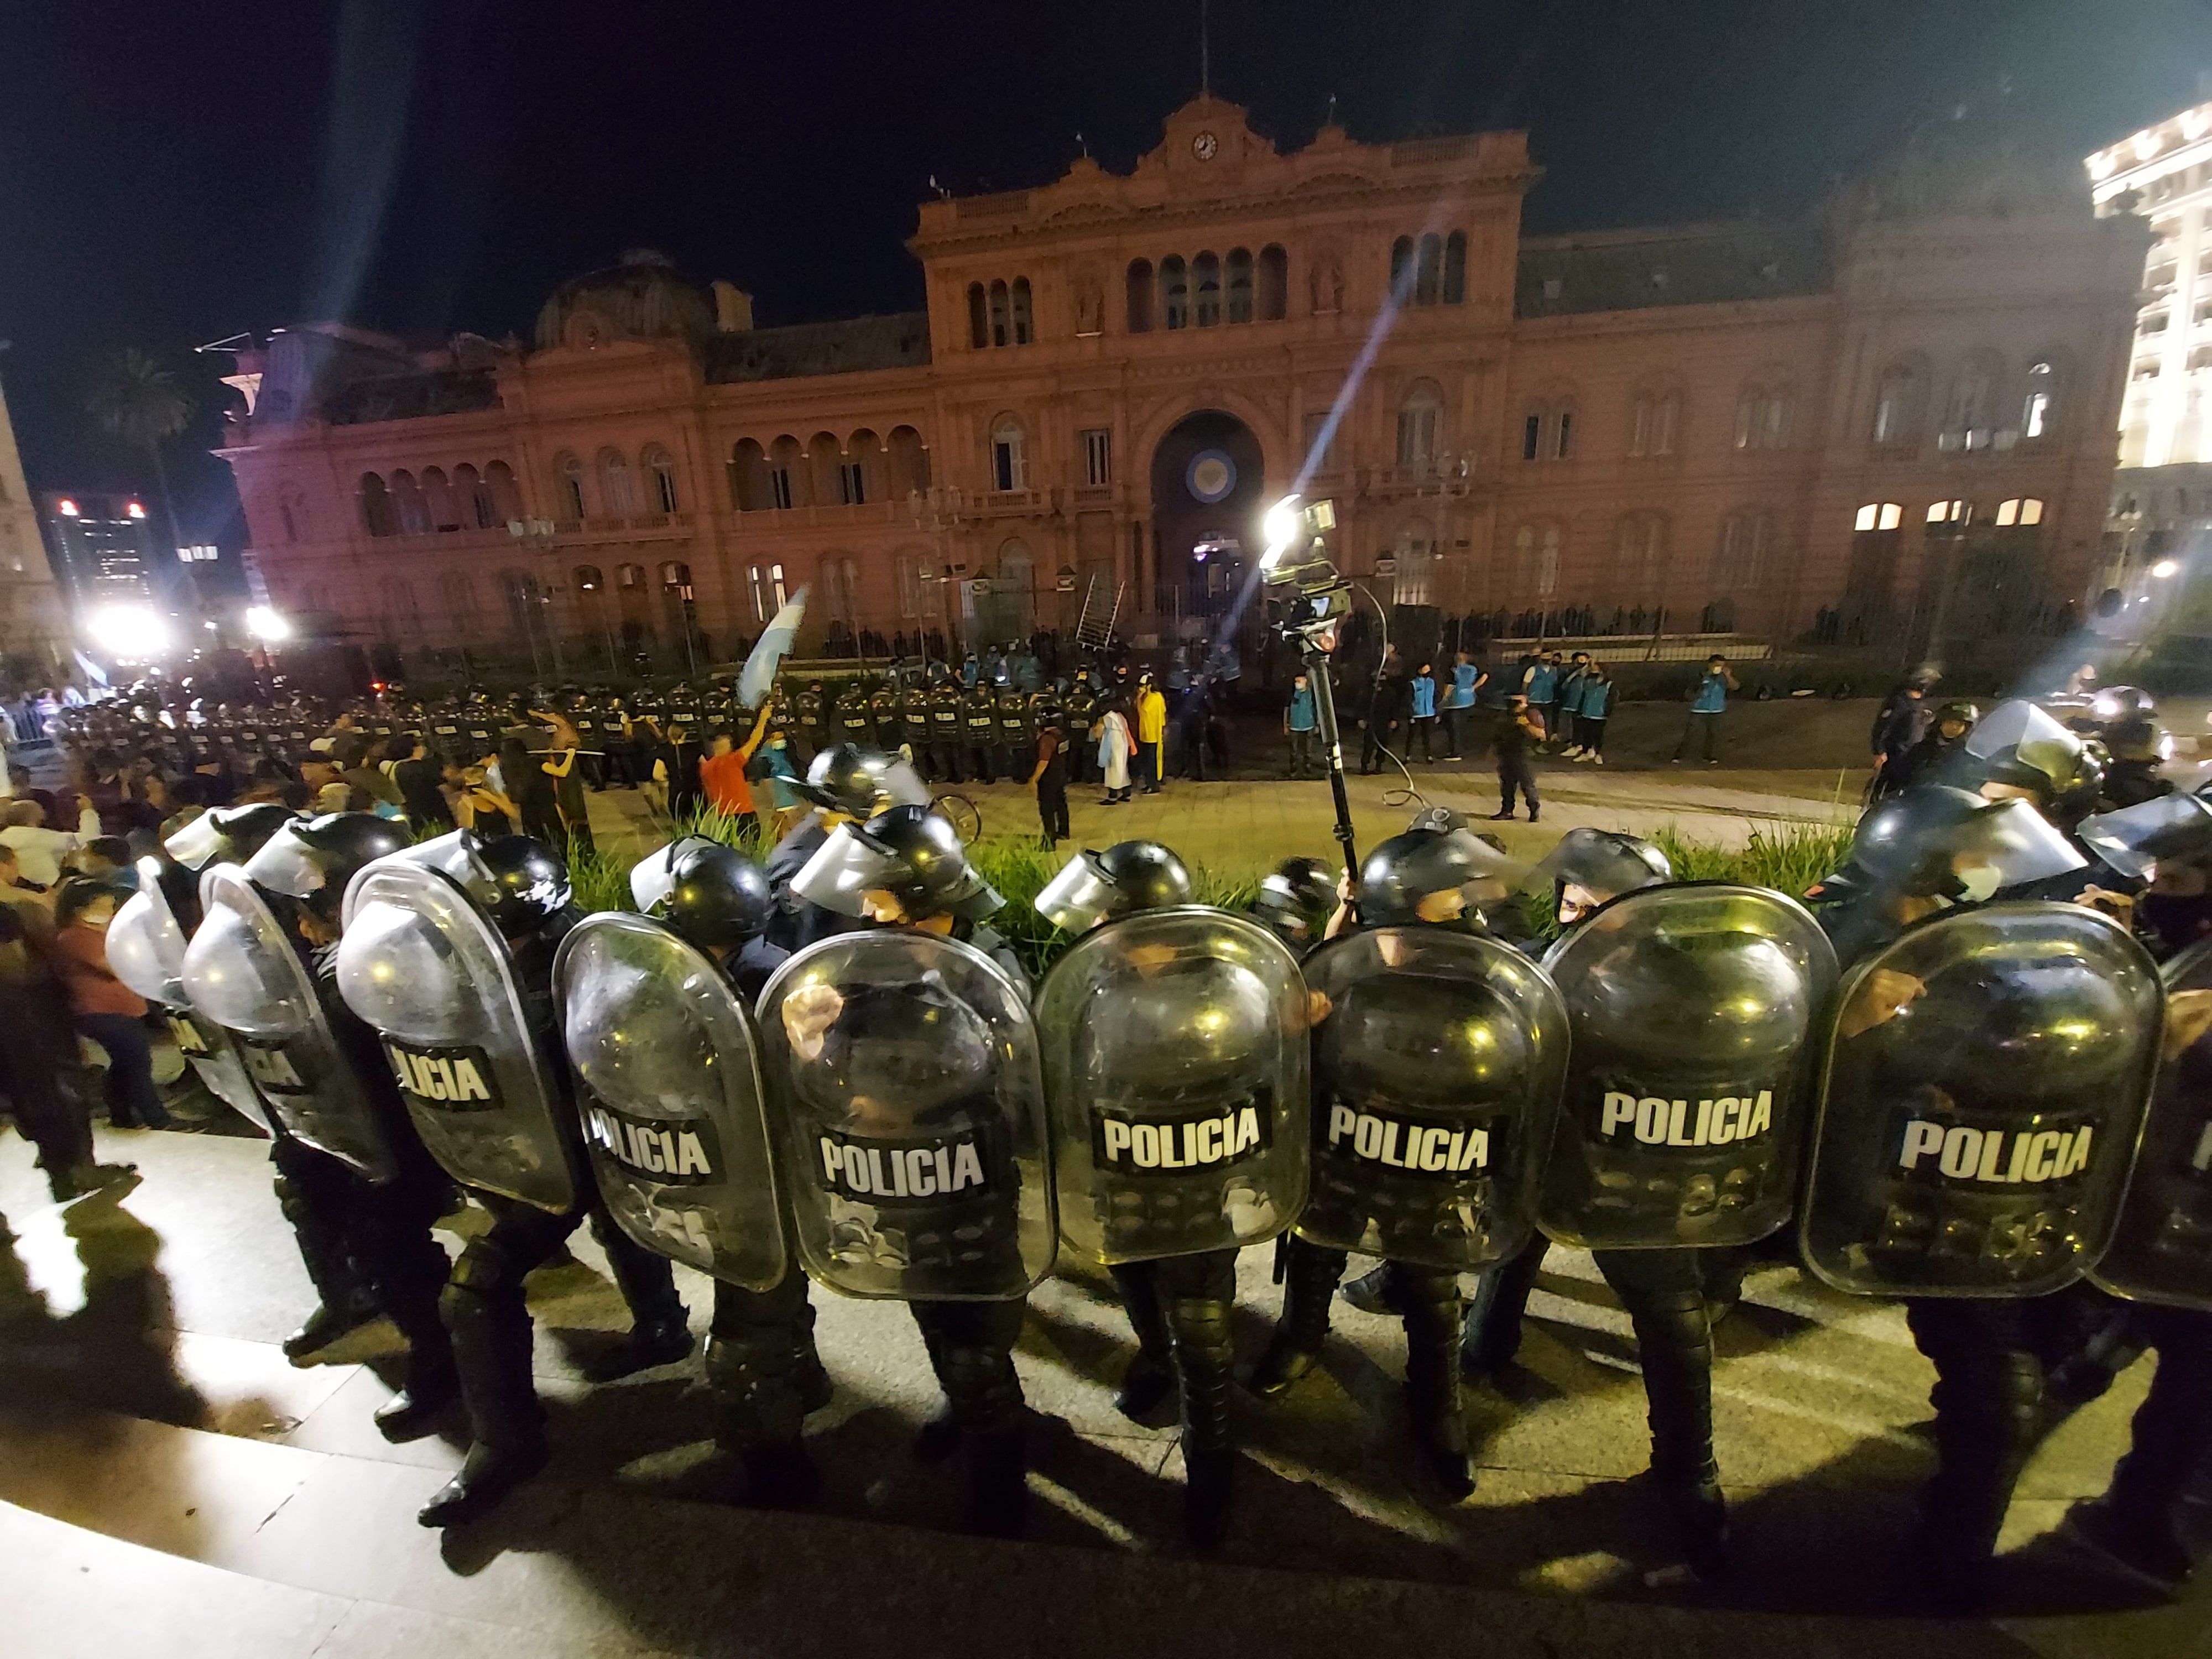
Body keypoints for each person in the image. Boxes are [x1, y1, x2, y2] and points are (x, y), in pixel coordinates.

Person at [0, 901, 131, 1200]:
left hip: (30, 1053)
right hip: (37, 1047)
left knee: (41, 1107)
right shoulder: (21, 982)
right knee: (60, 1102)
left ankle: (63, 1175)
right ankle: (78, 1172)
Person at [50, 876, 173, 1131]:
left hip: (121, 1009)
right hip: (100, 1013)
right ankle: (157, 1119)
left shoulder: (102, 934)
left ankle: (122, 1116)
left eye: (110, 906)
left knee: (125, 1063)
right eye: (102, 906)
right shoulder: (76, 937)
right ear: (79, 910)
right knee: (137, 1062)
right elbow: (115, 967)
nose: (108, 912)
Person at [2, 794, 102, 888]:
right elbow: (91, 839)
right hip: (49, 892)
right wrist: (87, 811)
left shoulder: (3, 838)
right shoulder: (38, 837)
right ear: (37, 817)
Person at [1672, 654, 1738, 765]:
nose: (1719, 668)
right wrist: (1700, 692)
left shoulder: (1723, 678)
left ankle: (1709, 756)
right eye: (1717, 665)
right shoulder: (1701, 676)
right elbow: (1690, 692)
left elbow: (1735, 687)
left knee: (1713, 735)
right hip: (1699, 709)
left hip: (1717, 710)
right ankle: (1680, 756)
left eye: (1722, 666)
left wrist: (1729, 676)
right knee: (1691, 734)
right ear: (1710, 665)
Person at [1489, 694, 1543, 822]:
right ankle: (1507, 811)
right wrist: (1493, 751)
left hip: (1523, 755)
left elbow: (1541, 734)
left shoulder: (1532, 714)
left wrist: (1526, 725)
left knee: (1527, 785)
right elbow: (1498, 734)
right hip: (1506, 753)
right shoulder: (1506, 716)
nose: (1516, 705)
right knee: (1507, 785)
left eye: (1519, 702)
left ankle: (1534, 810)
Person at [1027, 718, 1070, 847]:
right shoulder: (1062, 736)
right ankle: (1064, 832)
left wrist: (1034, 778)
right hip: (1061, 775)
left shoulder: (1047, 739)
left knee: (1047, 810)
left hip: (1048, 779)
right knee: (1061, 805)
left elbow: (1044, 761)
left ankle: (1049, 842)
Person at [1565, 663, 1613, 764]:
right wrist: (1580, 709)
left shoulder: (1609, 684)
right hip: (1587, 712)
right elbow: (1583, 695)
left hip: (1599, 715)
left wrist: (1607, 712)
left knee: (1598, 735)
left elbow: (1611, 700)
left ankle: (1598, 754)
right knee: (1586, 734)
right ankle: (1585, 752)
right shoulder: (1589, 681)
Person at [1443, 651, 1483, 760]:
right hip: (1469, 701)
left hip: (1455, 702)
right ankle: (1460, 750)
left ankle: (1455, 752)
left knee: (1453, 728)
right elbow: (1485, 676)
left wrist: (1443, 700)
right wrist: (1474, 688)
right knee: (1461, 727)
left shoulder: (1454, 671)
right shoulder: (1473, 669)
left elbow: (1450, 686)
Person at [1097, 696, 1134, 806]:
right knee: (1122, 768)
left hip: (1112, 743)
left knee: (1112, 769)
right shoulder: (1120, 716)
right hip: (1122, 742)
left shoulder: (1107, 717)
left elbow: (1098, 731)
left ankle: (1113, 796)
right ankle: (1126, 793)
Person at [1135, 674, 1167, 794]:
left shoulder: (1152, 698)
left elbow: (1142, 711)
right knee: (1150, 761)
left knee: (1151, 762)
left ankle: (1153, 785)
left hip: (1151, 735)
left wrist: (1139, 698)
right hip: (1149, 733)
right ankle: (1150, 783)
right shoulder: (1158, 696)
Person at [1284, 671, 1319, 778]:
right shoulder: (1292, 694)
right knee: (1294, 750)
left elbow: (1315, 709)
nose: (1298, 683)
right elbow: (1287, 709)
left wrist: (1317, 723)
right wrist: (1286, 725)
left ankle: (1307, 767)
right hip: (1295, 725)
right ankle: (1293, 768)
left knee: (1308, 749)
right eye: (1297, 681)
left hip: (1309, 725)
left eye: (1300, 680)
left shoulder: (1311, 694)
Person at [1407, 661, 1440, 761]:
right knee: (1412, 736)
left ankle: (1428, 755)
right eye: (1425, 670)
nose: (1427, 672)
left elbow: (1436, 698)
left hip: (1429, 713)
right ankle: (1408, 755)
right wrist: (1410, 715)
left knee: (1427, 736)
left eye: (1428, 670)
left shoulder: (1432, 682)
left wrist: (1437, 713)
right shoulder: (1413, 684)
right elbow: (1408, 700)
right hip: (1417, 714)